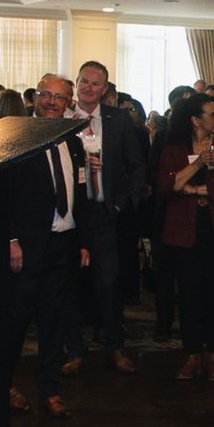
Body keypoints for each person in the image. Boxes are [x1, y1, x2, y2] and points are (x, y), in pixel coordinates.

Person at [3, 75, 84, 420]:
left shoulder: (74, 142)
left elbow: (80, 195)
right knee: (15, 322)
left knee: (53, 324)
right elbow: (0, 195)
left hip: (62, 246)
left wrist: (83, 243)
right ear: (35, 97)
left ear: (69, 103)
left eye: (59, 97)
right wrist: (10, 240)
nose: (51, 102)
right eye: (45, 95)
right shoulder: (15, 139)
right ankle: (2, 385)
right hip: (25, 248)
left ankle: (50, 391)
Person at [65, 60, 145, 376]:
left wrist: (122, 205)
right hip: (67, 212)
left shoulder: (118, 120)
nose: (88, 88)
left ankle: (115, 346)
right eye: (84, 81)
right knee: (68, 284)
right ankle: (74, 349)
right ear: (77, 81)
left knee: (109, 283)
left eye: (96, 84)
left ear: (105, 89)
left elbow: (136, 165)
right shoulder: (61, 119)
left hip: (103, 213)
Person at [155, 93, 214, 381]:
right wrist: (199, 163)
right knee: (189, 295)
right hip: (184, 231)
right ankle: (191, 354)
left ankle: (213, 354)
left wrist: (195, 190)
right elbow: (167, 185)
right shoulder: (175, 147)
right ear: (195, 119)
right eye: (212, 114)